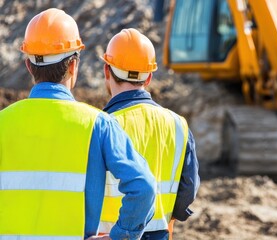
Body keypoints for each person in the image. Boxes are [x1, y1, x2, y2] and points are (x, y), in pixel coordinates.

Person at [0, 9, 156, 240]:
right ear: (73, 66)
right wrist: (119, 236)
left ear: (29, 66)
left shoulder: (4, 122)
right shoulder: (98, 125)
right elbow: (144, 188)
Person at [99, 28, 200, 240]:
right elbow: (187, 191)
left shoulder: (101, 125)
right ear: (149, 77)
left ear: (107, 71)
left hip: (109, 235)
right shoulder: (178, 125)